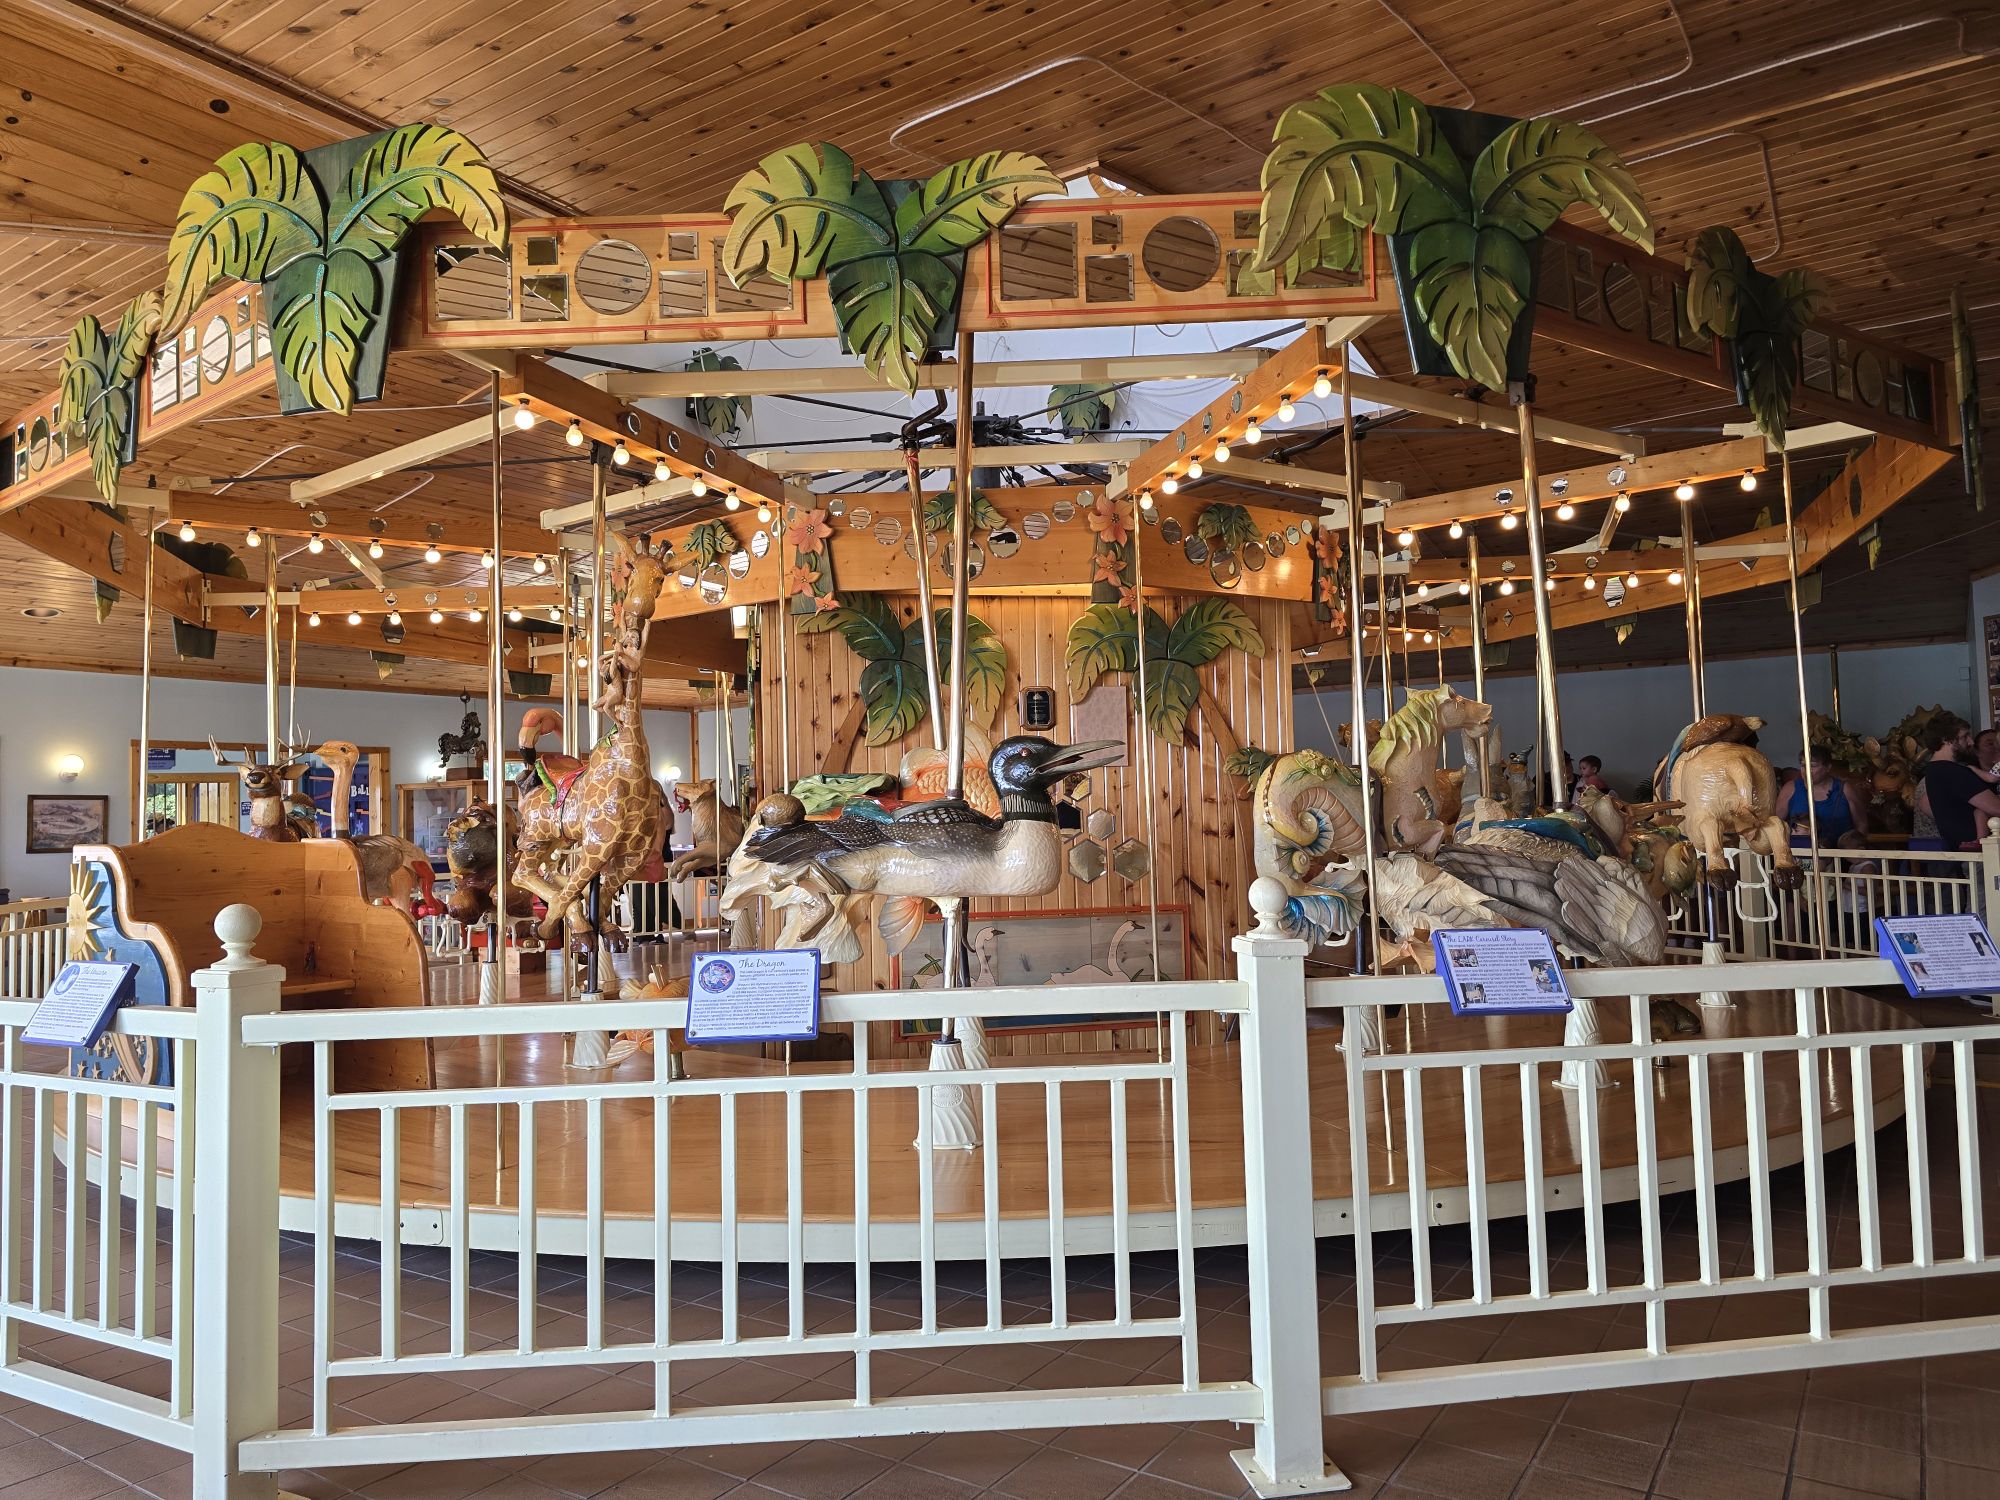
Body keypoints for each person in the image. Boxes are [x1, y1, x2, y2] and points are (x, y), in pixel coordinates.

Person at [1912, 716, 2000, 851]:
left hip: (1962, 851)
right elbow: (1996, 808)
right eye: (1965, 736)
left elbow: (1925, 804)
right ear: (1946, 739)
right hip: (1983, 853)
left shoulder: (1933, 771)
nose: (1971, 742)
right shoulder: (1953, 772)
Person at [1777, 748, 1869, 849]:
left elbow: (1861, 825)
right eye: (1803, 765)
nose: (1806, 770)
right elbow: (1776, 823)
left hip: (1840, 853)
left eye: (1812, 766)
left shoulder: (1845, 789)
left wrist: (1854, 852)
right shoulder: (1791, 788)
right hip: (1800, 853)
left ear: (1828, 767)